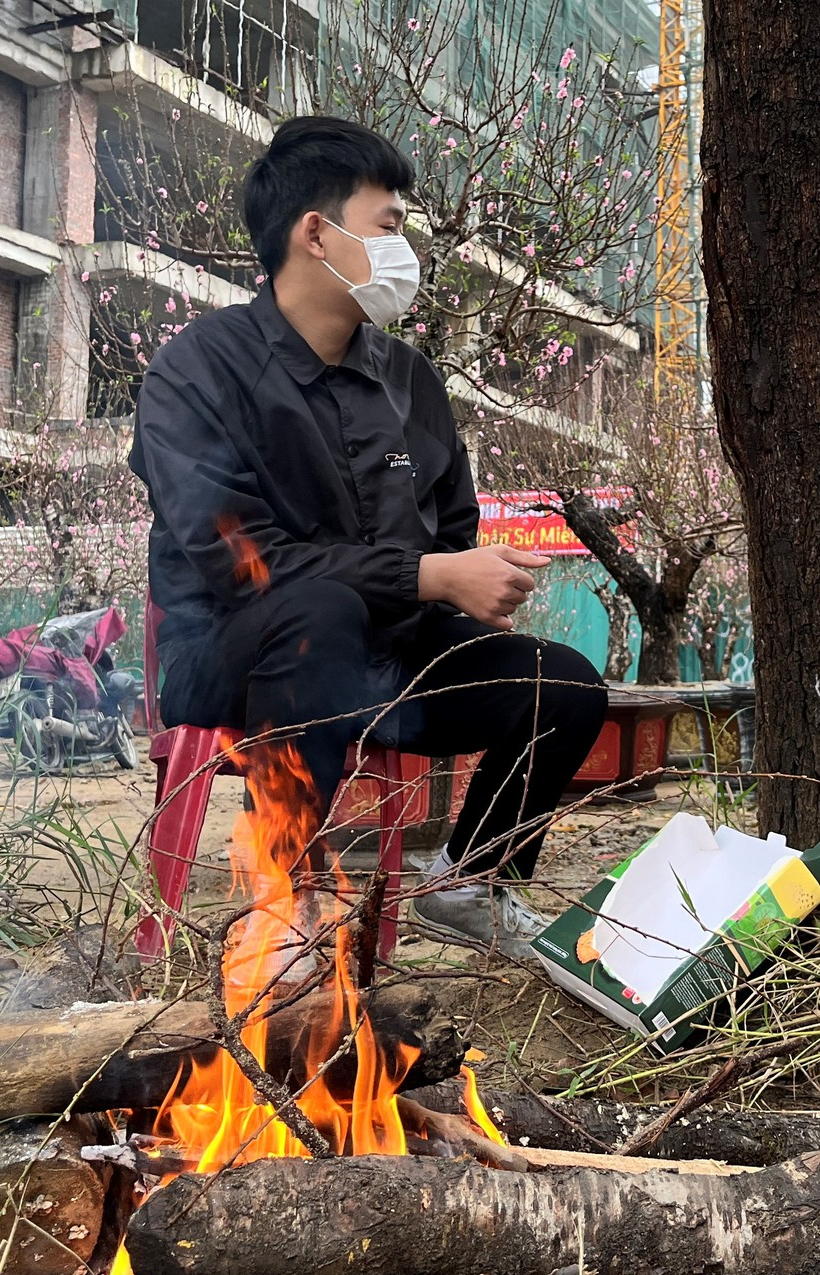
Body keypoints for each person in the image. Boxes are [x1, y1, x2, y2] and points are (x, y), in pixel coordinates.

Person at [129, 116, 608, 956]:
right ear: (317, 233)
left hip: (393, 657)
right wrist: (428, 577)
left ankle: (469, 881)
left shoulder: (409, 379)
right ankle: (285, 902)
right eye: (388, 225)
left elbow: (449, 526)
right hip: (238, 659)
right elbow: (241, 562)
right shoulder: (196, 371)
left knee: (561, 684)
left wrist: (464, 579)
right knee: (317, 610)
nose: (403, 247)